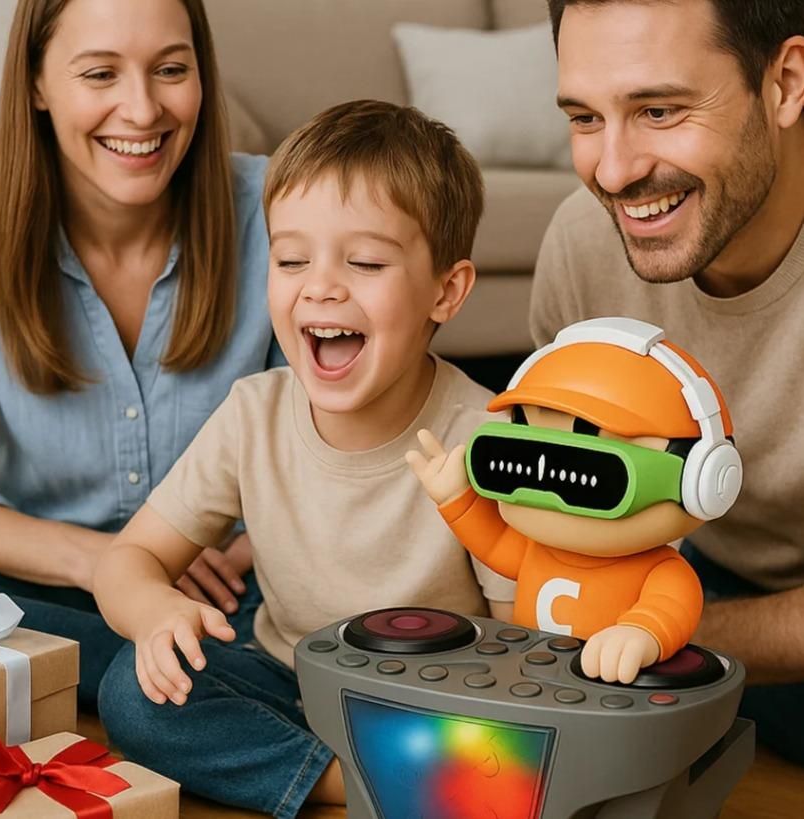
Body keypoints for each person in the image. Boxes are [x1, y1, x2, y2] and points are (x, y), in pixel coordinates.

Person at [93, 99, 516, 818]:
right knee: (133, 692)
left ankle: (417, 773)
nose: (320, 284)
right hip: (284, 679)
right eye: (291, 258)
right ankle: (365, 787)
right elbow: (124, 562)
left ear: (445, 290)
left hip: (434, 706)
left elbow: (522, 636)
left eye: (365, 261)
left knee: (511, 738)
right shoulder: (253, 411)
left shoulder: (482, 437)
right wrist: (156, 609)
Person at [0, 0, 281, 707]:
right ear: (35, 83)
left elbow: (339, 441)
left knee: (175, 673)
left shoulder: (280, 209)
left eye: (170, 70)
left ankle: (142, 689)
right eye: (100, 74)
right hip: (47, 584)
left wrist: (241, 549)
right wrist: (118, 566)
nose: (142, 109)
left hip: (232, 587)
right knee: (149, 684)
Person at [530, 0, 804, 762]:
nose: (612, 172)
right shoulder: (583, 244)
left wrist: (648, 633)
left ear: (784, 82)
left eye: (657, 109)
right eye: (584, 118)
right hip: (668, 573)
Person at [409, 316, 747, 684]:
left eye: (583, 451)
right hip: (530, 684)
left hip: (612, 697)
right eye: (520, 442)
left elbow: (669, 608)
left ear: (702, 476)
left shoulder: (660, 572)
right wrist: (458, 499)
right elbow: (496, 543)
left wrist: (641, 634)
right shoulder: (537, 550)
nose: (541, 467)